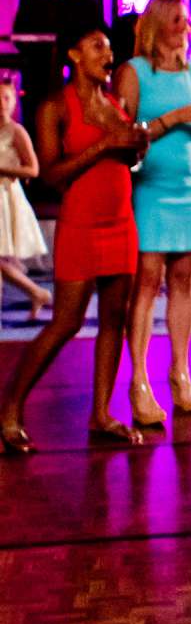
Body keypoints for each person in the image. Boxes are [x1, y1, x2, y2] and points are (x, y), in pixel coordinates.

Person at [0, 23, 148, 451]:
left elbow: (127, 160)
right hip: (82, 225)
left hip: (122, 223)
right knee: (65, 322)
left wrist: (136, 148)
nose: (108, 54)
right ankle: (9, 406)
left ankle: (102, 414)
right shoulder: (55, 108)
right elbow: (49, 175)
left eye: (109, 47)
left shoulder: (116, 102)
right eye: (97, 47)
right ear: (74, 55)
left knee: (114, 320)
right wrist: (105, 146)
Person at [115, 0, 191, 427]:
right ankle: (139, 380)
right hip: (149, 188)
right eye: (177, 19)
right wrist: (178, 116)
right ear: (157, 24)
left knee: (184, 280)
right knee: (147, 280)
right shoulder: (134, 72)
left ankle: (180, 372)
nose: (185, 26)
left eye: (187, 20)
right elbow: (125, 134)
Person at [11, 0, 92, 124]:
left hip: (76, 72)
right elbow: (20, 34)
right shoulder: (34, 3)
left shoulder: (82, 3)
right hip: (40, 73)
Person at [0, 76, 48, 318]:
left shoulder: (16, 132)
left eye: (6, 97)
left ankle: (37, 292)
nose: (1, 103)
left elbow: (33, 169)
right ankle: (36, 293)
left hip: (6, 198)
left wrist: (4, 170)